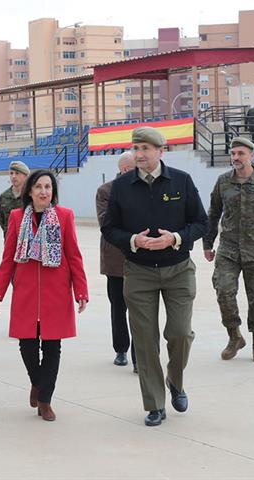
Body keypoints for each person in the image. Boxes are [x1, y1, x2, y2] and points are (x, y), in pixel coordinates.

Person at [101, 126, 208, 427]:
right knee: (145, 341)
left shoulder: (182, 181)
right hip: (139, 273)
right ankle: (154, 403)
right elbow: (109, 228)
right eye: (136, 149)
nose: (139, 154)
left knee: (180, 333)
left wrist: (174, 237)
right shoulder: (122, 187)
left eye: (145, 149)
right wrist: (134, 241)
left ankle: (176, 381)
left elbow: (201, 223)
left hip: (178, 269)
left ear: (161, 152)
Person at [0, 169, 89, 422]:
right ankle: (37, 382)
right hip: (26, 291)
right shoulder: (15, 217)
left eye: (48, 187)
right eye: (39, 187)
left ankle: (45, 399)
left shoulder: (64, 216)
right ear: (30, 192)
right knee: (28, 346)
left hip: (56, 291)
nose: (44, 192)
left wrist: (81, 290)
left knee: (53, 346)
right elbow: (8, 257)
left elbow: (74, 255)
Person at [203, 136, 254, 363]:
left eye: (241, 154)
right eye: (233, 154)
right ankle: (234, 336)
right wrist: (207, 243)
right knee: (223, 292)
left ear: (252, 155)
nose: (236, 158)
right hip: (228, 249)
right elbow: (213, 213)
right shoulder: (223, 182)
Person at [96, 151, 137, 372]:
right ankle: (121, 349)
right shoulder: (106, 191)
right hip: (115, 259)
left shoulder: (144, 187)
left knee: (140, 309)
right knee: (118, 307)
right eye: (129, 169)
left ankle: (139, 356)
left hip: (142, 258)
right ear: (122, 169)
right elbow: (106, 222)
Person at [0, 161, 30, 238]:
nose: (13, 176)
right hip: (9, 239)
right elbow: (1, 218)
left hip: (28, 241)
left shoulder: (32, 195)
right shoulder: (4, 196)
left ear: (26, 176)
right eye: (11, 173)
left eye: (17, 173)